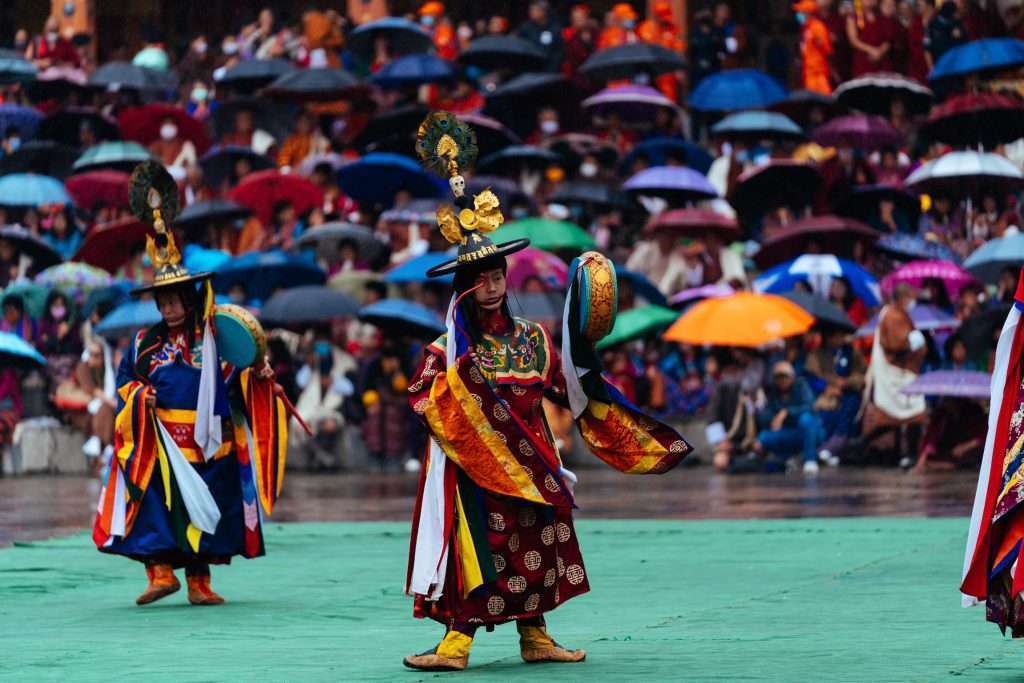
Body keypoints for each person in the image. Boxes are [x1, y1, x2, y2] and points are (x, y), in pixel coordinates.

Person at [402, 113, 690, 672]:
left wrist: (586, 342)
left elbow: (570, 388)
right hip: (477, 474)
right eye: (478, 277)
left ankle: (535, 637)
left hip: (536, 466)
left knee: (536, 552)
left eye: (496, 274)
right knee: (476, 555)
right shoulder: (447, 349)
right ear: (464, 285)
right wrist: (461, 397)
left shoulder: (534, 339)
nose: (490, 284)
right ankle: (455, 645)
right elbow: (423, 398)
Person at [93, 162, 290, 607]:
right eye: (161, 300)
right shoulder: (144, 344)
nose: (168, 307)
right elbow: (126, 382)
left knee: (211, 514)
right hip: (160, 442)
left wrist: (260, 379)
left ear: (189, 298)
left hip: (209, 442)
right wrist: (141, 397)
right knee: (156, 508)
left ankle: (199, 582)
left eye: (175, 299)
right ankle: (160, 573)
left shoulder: (216, 339)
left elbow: (239, 378)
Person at [859, 283, 927, 467]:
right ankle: (862, 446)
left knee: (901, 416)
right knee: (913, 412)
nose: (912, 301)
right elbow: (895, 343)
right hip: (897, 373)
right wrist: (911, 341)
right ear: (900, 298)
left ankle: (866, 447)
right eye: (908, 297)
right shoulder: (892, 315)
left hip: (903, 372)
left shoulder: (897, 313)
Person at [754, 361, 825, 474]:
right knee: (763, 437)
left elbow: (809, 407)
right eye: (778, 377)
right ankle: (787, 459)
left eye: (785, 376)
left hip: (811, 433)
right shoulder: (773, 393)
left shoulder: (802, 386)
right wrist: (770, 419)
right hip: (790, 433)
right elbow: (767, 415)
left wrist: (787, 412)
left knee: (805, 419)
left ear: (792, 377)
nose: (782, 380)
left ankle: (810, 460)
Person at [794, 0, 834, 95]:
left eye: (801, 12)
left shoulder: (818, 27)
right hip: (808, 71)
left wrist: (819, 43)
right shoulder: (805, 28)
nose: (798, 15)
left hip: (819, 73)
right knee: (810, 98)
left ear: (808, 13)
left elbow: (828, 50)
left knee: (825, 98)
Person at [846, 0, 891, 76]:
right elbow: (853, 40)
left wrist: (880, 51)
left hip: (882, 61)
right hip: (863, 61)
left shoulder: (881, 17)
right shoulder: (853, 17)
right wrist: (871, 50)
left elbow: (888, 39)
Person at [518, 1, 564, 73]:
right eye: (531, 10)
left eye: (535, 10)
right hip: (529, 69)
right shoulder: (525, 28)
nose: (532, 12)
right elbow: (521, 48)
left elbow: (558, 51)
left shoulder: (555, 29)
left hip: (549, 69)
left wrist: (551, 70)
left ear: (544, 12)